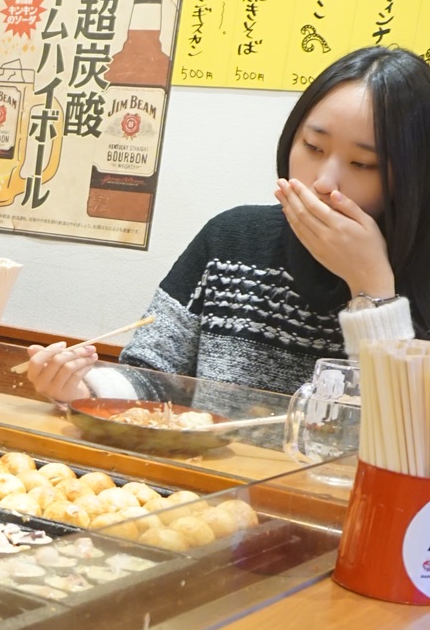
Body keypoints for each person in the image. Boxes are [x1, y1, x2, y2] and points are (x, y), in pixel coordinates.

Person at [26, 46, 430, 404]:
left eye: (363, 163)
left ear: (412, 176)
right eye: (312, 146)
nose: (323, 182)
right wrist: (84, 389)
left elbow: (402, 436)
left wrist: (373, 289)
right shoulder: (232, 239)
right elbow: (154, 376)